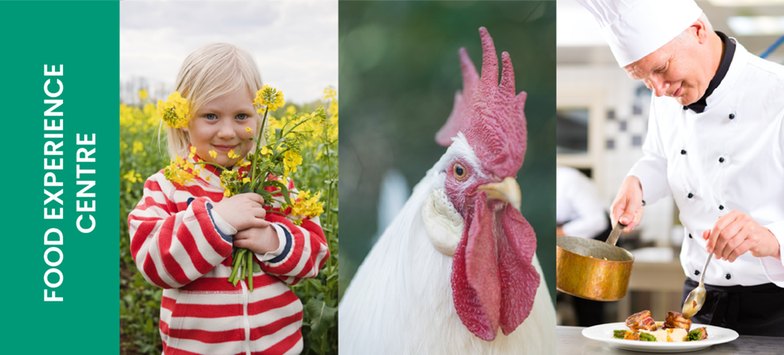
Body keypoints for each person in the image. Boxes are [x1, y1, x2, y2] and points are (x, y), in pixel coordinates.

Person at [576, 0, 784, 336]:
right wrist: (638, 183)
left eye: (660, 69)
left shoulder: (778, 93)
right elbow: (660, 157)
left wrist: (773, 240)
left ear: (698, 31)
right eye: (644, 80)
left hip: (776, 309)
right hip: (699, 302)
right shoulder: (668, 96)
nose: (658, 91)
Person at [127, 43, 330, 354]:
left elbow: (316, 255)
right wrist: (217, 221)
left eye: (241, 116)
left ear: (259, 116)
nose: (226, 132)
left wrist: (274, 241)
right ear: (183, 118)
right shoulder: (166, 187)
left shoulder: (274, 185)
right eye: (210, 115)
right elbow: (155, 263)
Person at [556, 166, 613, 326]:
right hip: (569, 243)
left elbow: (597, 221)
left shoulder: (569, 180)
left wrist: (559, 232)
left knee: (587, 303)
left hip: (595, 240)